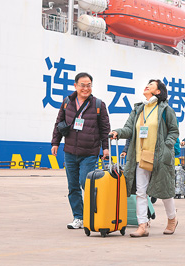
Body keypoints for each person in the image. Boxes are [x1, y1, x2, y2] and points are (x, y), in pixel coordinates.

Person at [110, 79, 179, 237]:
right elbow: (129, 129)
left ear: (158, 91)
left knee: (164, 192)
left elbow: (174, 131)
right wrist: (118, 132)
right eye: (147, 84)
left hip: (159, 157)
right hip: (140, 157)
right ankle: (143, 225)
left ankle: (172, 219)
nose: (147, 85)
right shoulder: (138, 109)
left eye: (151, 84)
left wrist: (167, 148)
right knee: (141, 192)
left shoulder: (165, 109)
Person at [51, 72, 110, 229]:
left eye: (89, 85)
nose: (86, 88)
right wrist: (55, 142)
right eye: (82, 85)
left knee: (87, 183)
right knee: (73, 187)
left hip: (89, 152)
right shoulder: (67, 103)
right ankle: (78, 217)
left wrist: (105, 148)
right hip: (70, 151)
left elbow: (105, 129)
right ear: (75, 86)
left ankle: (92, 215)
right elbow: (59, 123)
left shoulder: (98, 105)